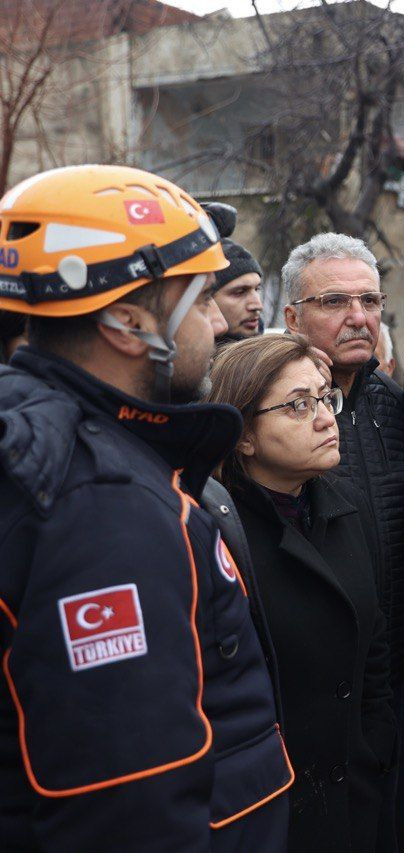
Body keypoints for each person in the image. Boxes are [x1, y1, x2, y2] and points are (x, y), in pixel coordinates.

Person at [0, 164, 292, 850]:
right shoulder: (103, 510)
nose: (221, 321)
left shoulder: (54, 439)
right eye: (200, 300)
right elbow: (126, 812)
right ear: (129, 324)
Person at [208, 332, 398, 852]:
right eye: (297, 406)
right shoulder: (215, 533)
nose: (323, 417)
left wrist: (375, 745)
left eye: (325, 397)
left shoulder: (346, 505)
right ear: (244, 435)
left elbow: (374, 644)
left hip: (354, 791)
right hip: (268, 808)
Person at [281, 232, 404, 851]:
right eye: (336, 302)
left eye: (370, 300)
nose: (360, 318)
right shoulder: (265, 414)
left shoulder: (395, 405)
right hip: (302, 696)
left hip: (388, 684)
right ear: (292, 317)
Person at [201, 203, 264, 345]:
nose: (257, 305)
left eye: (257, 289)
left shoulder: (274, 362)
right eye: (240, 292)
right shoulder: (188, 365)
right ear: (206, 299)